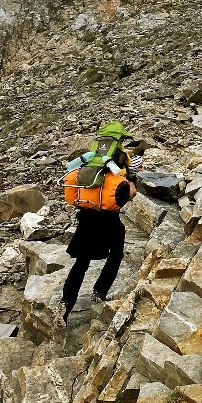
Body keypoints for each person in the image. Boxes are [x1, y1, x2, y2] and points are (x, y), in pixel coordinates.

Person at [60, 122, 143, 323]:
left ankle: (65, 304)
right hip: (109, 221)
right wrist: (131, 179)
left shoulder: (89, 163)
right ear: (120, 141)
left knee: (82, 262)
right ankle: (99, 291)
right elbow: (129, 194)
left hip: (86, 219)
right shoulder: (120, 162)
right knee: (116, 255)